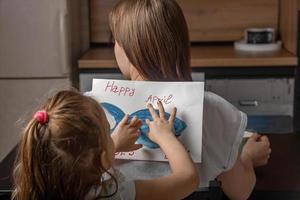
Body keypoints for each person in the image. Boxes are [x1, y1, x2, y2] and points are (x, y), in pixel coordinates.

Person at [109, 0, 271, 199]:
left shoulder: (88, 111)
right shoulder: (215, 109)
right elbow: (240, 191)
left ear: (125, 48)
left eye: (115, 39)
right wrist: (247, 158)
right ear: (180, 45)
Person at [12, 90, 199, 200]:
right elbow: (187, 179)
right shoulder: (113, 194)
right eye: (108, 134)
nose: (113, 136)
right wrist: (166, 137)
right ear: (102, 159)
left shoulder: (27, 191)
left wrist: (111, 146)